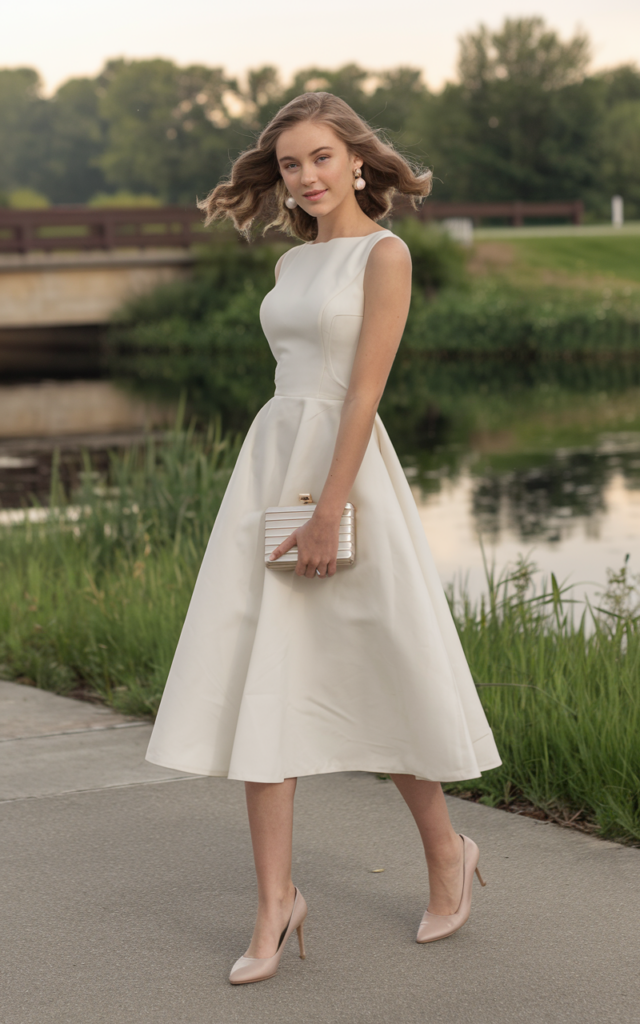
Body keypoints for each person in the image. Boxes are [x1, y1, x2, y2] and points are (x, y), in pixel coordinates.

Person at [146, 91, 501, 985]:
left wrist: (326, 510)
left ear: (357, 160)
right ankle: (275, 904)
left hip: (345, 474)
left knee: (379, 671)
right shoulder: (291, 263)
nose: (306, 177)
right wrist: (293, 498)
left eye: (321, 158)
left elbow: (364, 393)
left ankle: (448, 852)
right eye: (290, 164)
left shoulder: (386, 255)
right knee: (265, 679)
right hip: (274, 460)